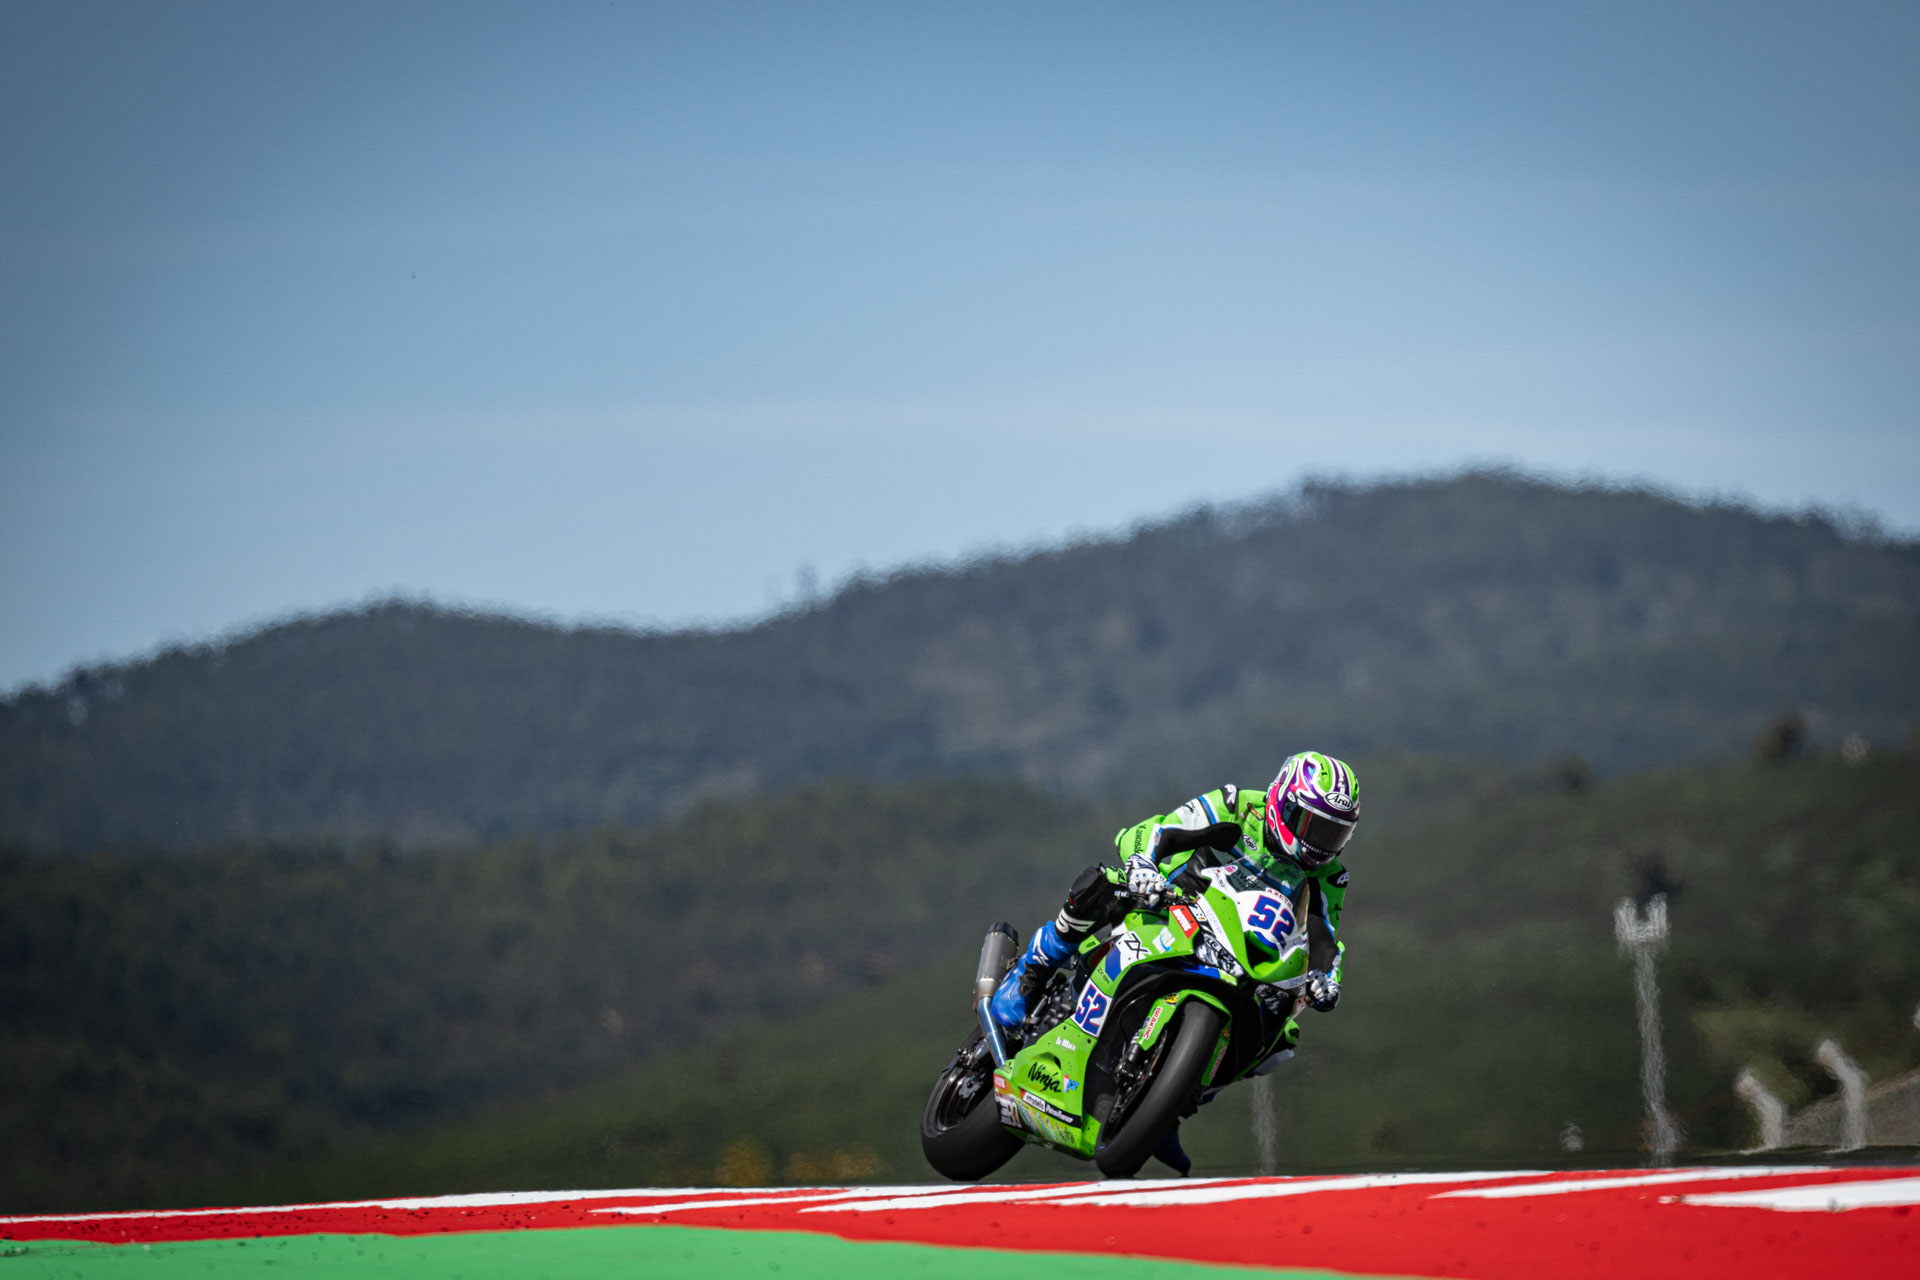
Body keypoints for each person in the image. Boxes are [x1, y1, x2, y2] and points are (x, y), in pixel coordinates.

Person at [989, 750, 1359, 1032]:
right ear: (1283, 801)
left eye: (1334, 833)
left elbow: (1323, 939)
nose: (1319, 843)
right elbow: (1161, 830)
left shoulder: (1329, 877)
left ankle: (1185, 1092)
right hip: (1175, 897)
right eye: (1312, 825)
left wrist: (1326, 980)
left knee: (1281, 1038)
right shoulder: (1239, 806)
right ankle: (1034, 969)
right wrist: (1143, 865)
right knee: (1104, 885)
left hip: (1240, 949)